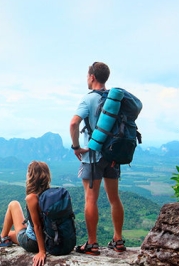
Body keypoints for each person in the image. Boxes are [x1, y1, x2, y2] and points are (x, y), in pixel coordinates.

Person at [69, 61, 127, 255]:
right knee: (114, 199)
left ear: (92, 77)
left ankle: (92, 244)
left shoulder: (88, 99)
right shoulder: (115, 99)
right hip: (113, 156)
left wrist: (76, 147)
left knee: (90, 199)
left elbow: (73, 123)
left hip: (92, 157)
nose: (87, 78)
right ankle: (118, 239)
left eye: (87, 75)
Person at [0, 161, 50, 266]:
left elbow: (37, 226)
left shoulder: (32, 197)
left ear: (31, 176)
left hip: (33, 243)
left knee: (13, 204)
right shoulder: (49, 195)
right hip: (49, 239)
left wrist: (41, 251)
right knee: (9, 234)